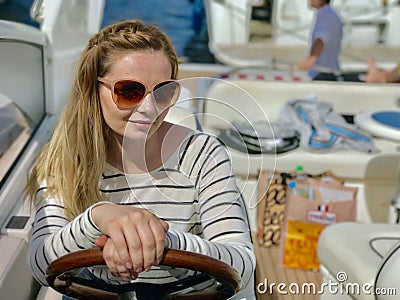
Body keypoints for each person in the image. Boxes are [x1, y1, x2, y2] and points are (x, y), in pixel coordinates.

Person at [27, 19, 256, 299]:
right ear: (93, 90)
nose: (149, 108)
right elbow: (40, 263)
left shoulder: (202, 154)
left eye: (163, 92)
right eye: (129, 91)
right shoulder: (61, 160)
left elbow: (243, 266)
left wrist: (156, 240)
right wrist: (98, 218)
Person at [297, 0, 343, 81]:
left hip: (323, 73)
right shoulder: (330, 13)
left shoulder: (325, 15)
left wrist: (311, 59)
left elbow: (320, 39)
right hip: (328, 71)